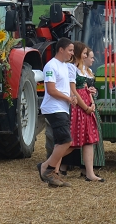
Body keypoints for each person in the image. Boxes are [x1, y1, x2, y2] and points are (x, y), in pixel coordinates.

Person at [37, 37, 77, 188]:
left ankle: (48, 169)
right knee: (66, 141)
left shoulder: (64, 66)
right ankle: (48, 170)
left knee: (61, 142)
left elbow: (64, 88)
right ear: (61, 49)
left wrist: (71, 97)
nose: (72, 53)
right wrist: (68, 98)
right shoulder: (51, 66)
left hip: (62, 108)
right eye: (70, 50)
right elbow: (51, 90)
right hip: (54, 108)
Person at [70, 42, 104, 182]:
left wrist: (92, 102)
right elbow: (73, 91)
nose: (86, 56)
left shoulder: (85, 71)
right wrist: (85, 107)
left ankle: (89, 172)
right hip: (78, 106)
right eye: (84, 53)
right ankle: (52, 167)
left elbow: (85, 88)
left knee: (88, 139)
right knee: (71, 141)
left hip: (87, 105)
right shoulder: (71, 69)